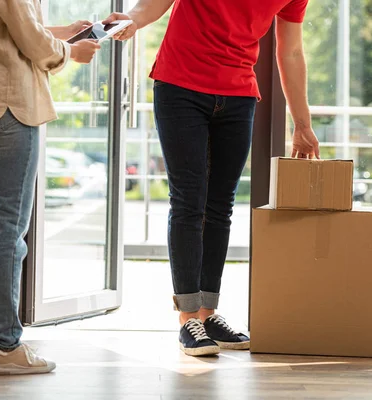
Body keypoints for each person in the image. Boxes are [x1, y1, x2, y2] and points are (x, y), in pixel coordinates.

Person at [105, 0, 320, 356]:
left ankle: (208, 313)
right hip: (180, 85)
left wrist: (302, 122)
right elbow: (155, 3)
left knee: (220, 206)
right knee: (189, 201)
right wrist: (132, 18)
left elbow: (292, 51)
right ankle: (188, 318)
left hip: (238, 93)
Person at [0, 0, 100, 375]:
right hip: (8, 100)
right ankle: (6, 345)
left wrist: (61, 32)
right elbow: (28, 36)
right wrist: (70, 52)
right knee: (8, 225)